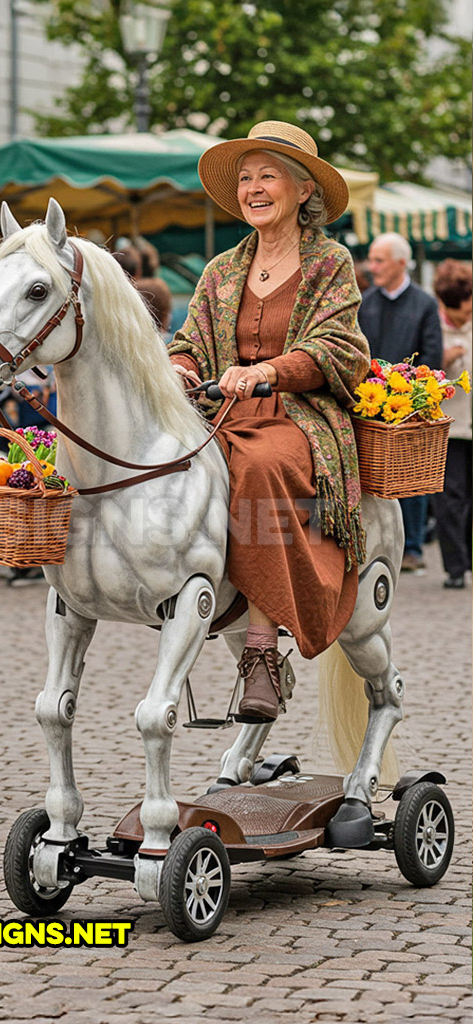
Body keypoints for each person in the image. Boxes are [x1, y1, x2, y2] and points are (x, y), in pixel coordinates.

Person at [168, 120, 369, 723]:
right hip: (221, 410)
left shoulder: (331, 262)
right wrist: (178, 369)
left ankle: (260, 654)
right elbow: (189, 342)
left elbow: (343, 349)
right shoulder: (221, 270)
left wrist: (269, 372)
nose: (254, 188)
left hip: (300, 417)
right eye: (247, 178)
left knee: (256, 464)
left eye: (269, 177)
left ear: (303, 190)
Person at [358, 233, 443, 572]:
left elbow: (432, 353)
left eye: (379, 260)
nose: (371, 267)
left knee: (412, 480)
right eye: (371, 259)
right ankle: (378, 543)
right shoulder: (366, 301)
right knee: (374, 479)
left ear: (401, 262)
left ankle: (413, 548)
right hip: (371, 404)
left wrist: (417, 395)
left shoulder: (424, 303)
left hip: (410, 407)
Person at [432, 260, 472, 588]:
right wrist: (441, 362)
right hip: (450, 427)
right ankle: (455, 568)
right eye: (458, 311)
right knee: (450, 499)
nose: (465, 316)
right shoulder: (433, 327)